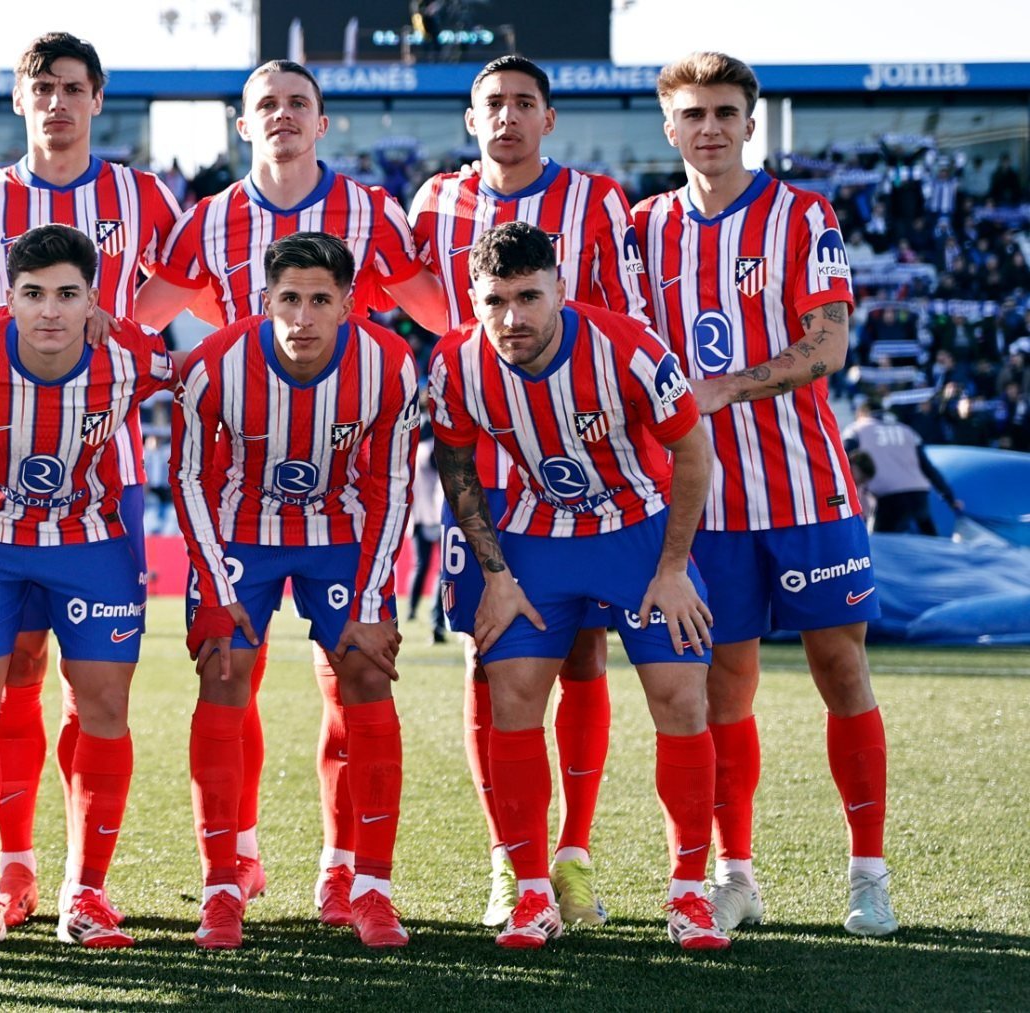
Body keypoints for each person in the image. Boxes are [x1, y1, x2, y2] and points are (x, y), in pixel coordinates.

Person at [137, 60, 448, 923]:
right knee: (231, 665)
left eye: (297, 104)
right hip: (240, 492)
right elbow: (140, 321)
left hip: (345, 485)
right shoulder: (208, 220)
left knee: (348, 673)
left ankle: (347, 868)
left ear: (322, 122)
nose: (281, 115)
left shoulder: (374, 214)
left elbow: (439, 315)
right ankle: (230, 866)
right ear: (244, 125)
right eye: (265, 104)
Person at [0, 32, 182, 927]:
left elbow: (196, 305)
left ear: (97, 99)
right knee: (1, 679)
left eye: (73, 88)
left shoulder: (142, 195)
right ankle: (8, 869)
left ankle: (86, 883)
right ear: (19, 101)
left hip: (106, 490)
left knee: (94, 690)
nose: (57, 102)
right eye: (41, 88)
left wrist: (126, 336)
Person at [632, 52, 896, 938]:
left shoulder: (800, 215)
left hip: (809, 490)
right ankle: (736, 874)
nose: (709, 128)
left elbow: (828, 348)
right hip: (704, 507)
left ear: (752, 122)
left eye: (725, 112)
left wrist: (725, 386)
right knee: (724, 686)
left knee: (842, 668)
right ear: (669, 128)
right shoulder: (640, 231)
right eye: (692, 114)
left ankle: (868, 874)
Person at [427, 221, 726, 951]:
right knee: (515, 692)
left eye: (530, 296)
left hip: (640, 531)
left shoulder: (628, 348)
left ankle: (689, 893)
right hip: (536, 535)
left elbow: (694, 451)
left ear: (560, 287)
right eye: (496, 300)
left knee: (682, 697)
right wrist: (495, 575)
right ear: (473, 297)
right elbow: (457, 465)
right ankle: (533, 892)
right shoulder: (457, 363)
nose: (513, 317)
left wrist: (674, 566)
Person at [407, 55, 649, 929]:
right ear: (470, 121)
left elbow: (625, 323)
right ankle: (513, 866)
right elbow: (423, 309)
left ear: (548, 118)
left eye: (522, 103)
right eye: (491, 105)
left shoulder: (598, 201)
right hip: (485, 471)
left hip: (580, 472)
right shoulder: (433, 204)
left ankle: (574, 854)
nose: (506, 116)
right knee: (488, 655)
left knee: (582, 654)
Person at [171, 232, 417, 950]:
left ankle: (365, 883)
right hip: (241, 528)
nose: (303, 316)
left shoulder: (388, 365)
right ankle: (222, 885)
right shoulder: (213, 366)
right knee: (223, 672)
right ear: (263, 300)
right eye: (289, 299)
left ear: (347, 302)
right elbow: (191, 477)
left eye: (319, 300)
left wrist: (372, 603)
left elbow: (391, 483)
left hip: (339, 528)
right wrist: (215, 588)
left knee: (367, 674)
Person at [844, 397, 963, 533]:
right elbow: (928, 468)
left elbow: (841, 457)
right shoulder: (907, 430)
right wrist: (950, 498)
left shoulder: (856, 429)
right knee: (932, 541)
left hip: (886, 496)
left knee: (879, 545)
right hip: (919, 494)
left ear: (861, 414)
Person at [405, 434, 446, 640]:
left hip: (418, 516)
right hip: (437, 515)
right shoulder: (432, 448)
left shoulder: (410, 447)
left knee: (421, 566)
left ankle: (412, 611)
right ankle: (436, 621)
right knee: (441, 570)